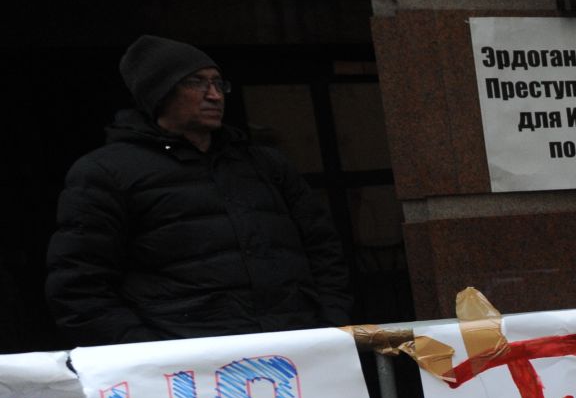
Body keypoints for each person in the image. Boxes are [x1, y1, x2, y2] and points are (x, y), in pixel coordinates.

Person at [46, 35, 352, 345]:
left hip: (295, 355)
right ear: (160, 92)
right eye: (197, 83)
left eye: (219, 84)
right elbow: (79, 288)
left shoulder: (264, 163)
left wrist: (328, 327)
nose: (215, 95)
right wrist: (151, 354)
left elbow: (324, 251)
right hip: (186, 371)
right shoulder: (106, 173)